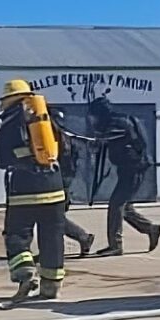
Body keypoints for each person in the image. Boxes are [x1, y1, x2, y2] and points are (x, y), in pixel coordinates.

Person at [0, 79, 67, 304]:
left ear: (8, 100)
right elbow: (65, 149)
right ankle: (51, 286)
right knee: (52, 237)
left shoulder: (10, 121)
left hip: (24, 189)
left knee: (17, 233)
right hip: (55, 187)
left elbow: (2, 155)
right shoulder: (48, 116)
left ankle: (25, 275)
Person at [88, 97, 160, 256]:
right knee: (125, 208)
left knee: (116, 205)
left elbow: (105, 139)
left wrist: (94, 140)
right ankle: (150, 229)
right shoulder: (118, 121)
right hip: (129, 169)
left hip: (133, 169)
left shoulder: (117, 124)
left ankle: (115, 245)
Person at [51, 108, 95, 257]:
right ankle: (53, 250)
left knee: (53, 217)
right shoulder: (66, 136)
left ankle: (83, 237)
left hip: (57, 181)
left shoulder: (57, 137)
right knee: (53, 217)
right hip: (64, 180)